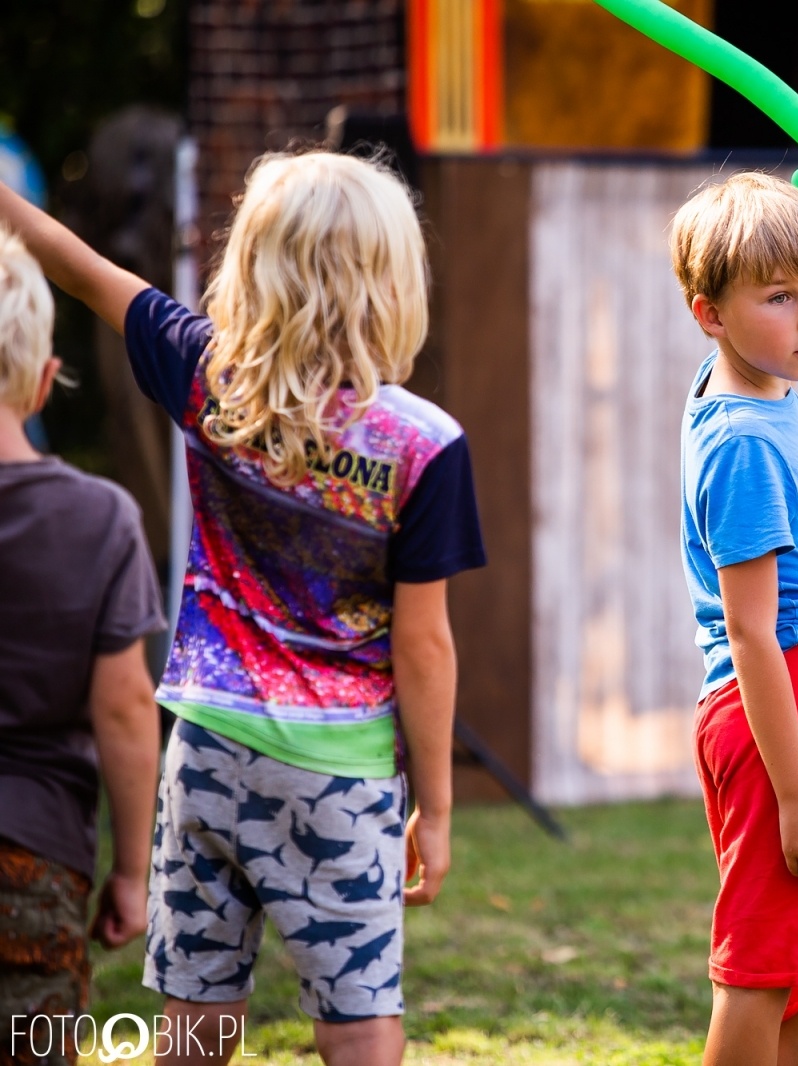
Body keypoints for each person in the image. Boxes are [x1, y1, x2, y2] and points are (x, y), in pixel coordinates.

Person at [0, 150, 486, 1065]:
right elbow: (424, 646)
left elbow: (73, 260)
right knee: (358, 1017)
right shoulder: (425, 446)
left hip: (209, 752)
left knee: (198, 1010)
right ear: (394, 281)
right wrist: (440, 804)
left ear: (250, 267)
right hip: (339, 773)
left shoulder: (207, 378)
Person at [672, 172, 798, 1066]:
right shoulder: (748, 443)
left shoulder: (741, 387)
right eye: (781, 298)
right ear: (707, 314)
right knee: (761, 971)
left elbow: (765, 266)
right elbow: (754, 631)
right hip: (783, 702)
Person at [0, 228, 165, 1064]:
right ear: (39, 382)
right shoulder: (100, 520)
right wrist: (131, 873)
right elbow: (128, 709)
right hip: (34, 860)